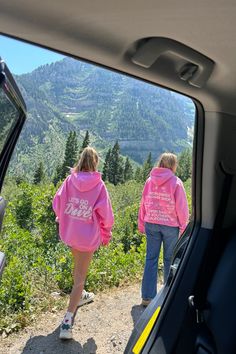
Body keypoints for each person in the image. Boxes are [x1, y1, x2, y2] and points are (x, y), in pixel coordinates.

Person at [53, 147, 114, 340]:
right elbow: (106, 215)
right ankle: (67, 323)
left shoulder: (70, 180)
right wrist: (106, 234)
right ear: (95, 163)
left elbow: (57, 202)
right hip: (87, 238)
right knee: (80, 277)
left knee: (77, 270)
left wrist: (62, 216)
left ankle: (78, 297)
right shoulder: (99, 185)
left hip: (71, 234)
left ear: (81, 160)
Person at [138, 152, 189, 306]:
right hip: (170, 226)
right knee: (169, 260)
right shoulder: (176, 182)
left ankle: (147, 298)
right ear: (173, 165)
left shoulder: (149, 181)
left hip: (151, 223)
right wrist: (183, 227)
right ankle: (168, 296)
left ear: (160, 163)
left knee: (151, 259)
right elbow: (182, 208)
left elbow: (143, 203)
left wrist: (141, 223)